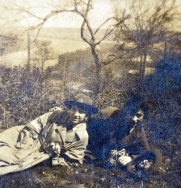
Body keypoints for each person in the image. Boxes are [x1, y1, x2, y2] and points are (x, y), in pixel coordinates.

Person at [0, 94, 98, 176]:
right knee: (6, 150)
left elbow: (74, 161)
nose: (76, 114)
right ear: (69, 109)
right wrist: (25, 146)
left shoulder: (82, 136)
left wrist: (56, 156)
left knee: (8, 162)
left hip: (40, 154)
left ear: (87, 115)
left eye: (81, 112)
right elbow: (32, 128)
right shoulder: (56, 114)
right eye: (74, 109)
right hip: (26, 138)